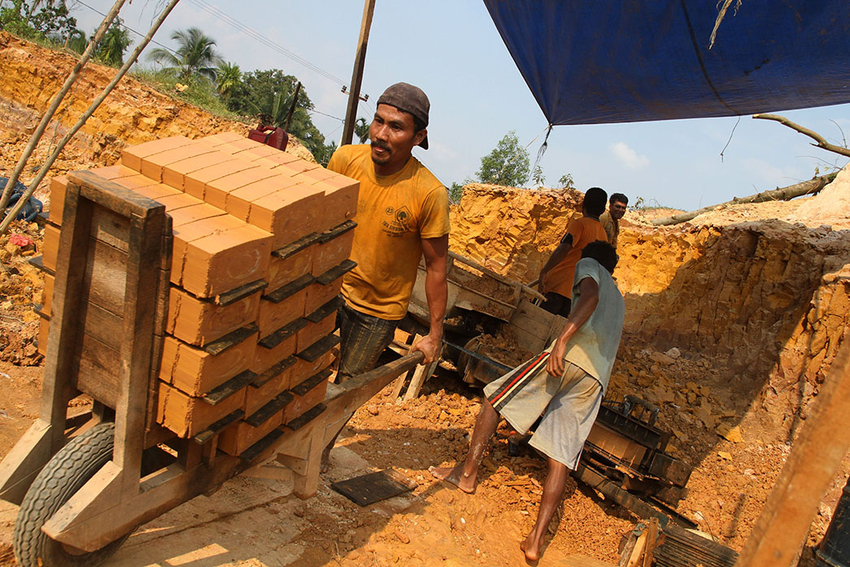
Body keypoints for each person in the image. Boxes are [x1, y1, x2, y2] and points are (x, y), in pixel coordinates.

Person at [431, 241, 624, 562]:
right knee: (560, 457)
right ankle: (535, 540)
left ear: (588, 257)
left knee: (495, 398)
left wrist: (561, 340)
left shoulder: (590, 266)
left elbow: (589, 298)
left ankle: (466, 475)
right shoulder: (619, 298)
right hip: (596, 379)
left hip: (570, 356)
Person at [323, 82, 450, 464]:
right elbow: (319, 219)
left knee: (347, 390)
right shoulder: (346, 160)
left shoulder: (428, 193)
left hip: (377, 310)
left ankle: (314, 455)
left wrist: (434, 334)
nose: (380, 134)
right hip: (329, 287)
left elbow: (437, 268)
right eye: (378, 121)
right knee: (296, 366)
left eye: (396, 127)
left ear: (418, 137)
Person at [536, 187, 608, 317]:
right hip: (574, 294)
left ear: (583, 205)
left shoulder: (580, 224)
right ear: (603, 210)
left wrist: (544, 271)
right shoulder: (603, 235)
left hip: (557, 286)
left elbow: (564, 248)